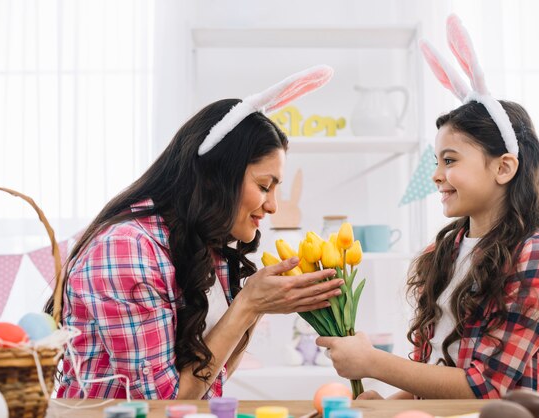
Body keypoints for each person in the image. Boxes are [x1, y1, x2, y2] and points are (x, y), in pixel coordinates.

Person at [46, 65, 344, 400]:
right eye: (264, 186)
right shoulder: (126, 250)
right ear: (215, 177)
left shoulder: (204, 247)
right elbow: (162, 405)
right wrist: (247, 305)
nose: (273, 206)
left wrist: (258, 306)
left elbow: (211, 379)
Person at [316, 16, 539, 399]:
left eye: (449, 161)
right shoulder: (446, 250)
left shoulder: (537, 255)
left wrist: (372, 362)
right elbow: (439, 367)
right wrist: (388, 406)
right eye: (436, 161)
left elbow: (487, 386)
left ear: (503, 167)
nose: (436, 175)